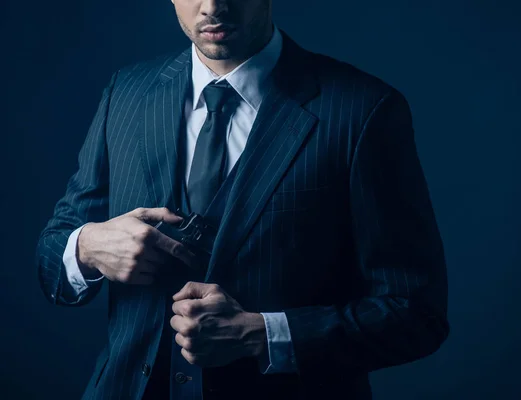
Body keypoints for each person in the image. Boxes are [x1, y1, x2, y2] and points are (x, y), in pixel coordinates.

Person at [36, 0, 450, 399]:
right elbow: (52, 259)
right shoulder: (125, 92)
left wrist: (265, 335)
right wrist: (86, 247)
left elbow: (415, 313)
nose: (213, 6)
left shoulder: (362, 111)